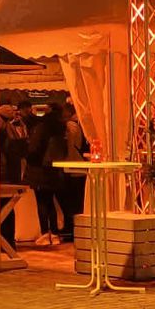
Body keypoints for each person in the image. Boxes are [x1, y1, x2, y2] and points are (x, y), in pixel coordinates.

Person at [28, 106, 67, 245]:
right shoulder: (61, 129)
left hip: (40, 169)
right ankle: (55, 233)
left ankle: (45, 233)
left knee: (41, 201)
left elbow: (33, 148)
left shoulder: (41, 128)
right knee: (50, 201)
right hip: (54, 168)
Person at [58, 102, 87, 241]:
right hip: (79, 167)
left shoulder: (70, 126)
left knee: (72, 202)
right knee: (77, 201)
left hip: (73, 168)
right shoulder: (79, 124)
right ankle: (76, 228)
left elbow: (70, 147)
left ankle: (72, 229)